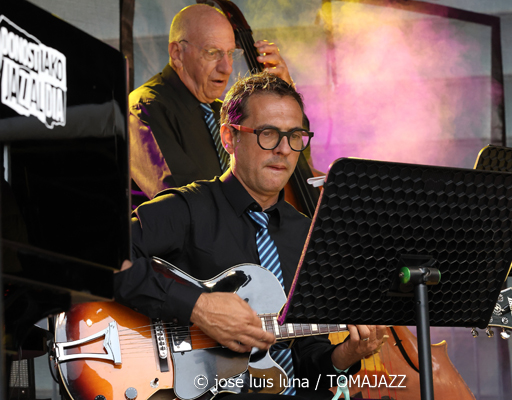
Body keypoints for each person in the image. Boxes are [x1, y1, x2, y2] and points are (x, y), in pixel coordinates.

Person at [115, 72, 386, 399]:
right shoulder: (187, 208)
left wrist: (344, 357)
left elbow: (306, 360)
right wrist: (197, 307)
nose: (284, 149)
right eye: (268, 134)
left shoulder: (307, 235)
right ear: (229, 137)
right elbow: (105, 256)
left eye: (295, 136)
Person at [129, 4, 294, 200]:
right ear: (177, 53)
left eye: (231, 53)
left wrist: (285, 98)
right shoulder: (145, 108)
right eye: (212, 53)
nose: (227, 68)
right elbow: (184, 203)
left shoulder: (222, 110)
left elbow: (291, 156)